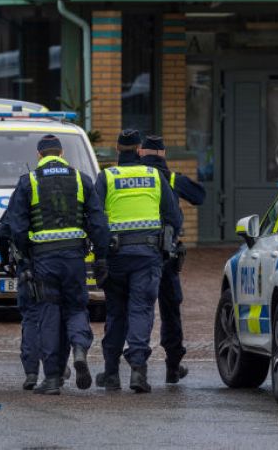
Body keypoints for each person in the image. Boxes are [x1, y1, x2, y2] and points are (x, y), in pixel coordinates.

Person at [4, 134, 109, 395]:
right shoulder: (81, 179)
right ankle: (80, 350)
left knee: (49, 314)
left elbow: (16, 227)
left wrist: (25, 260)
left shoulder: (28, 181)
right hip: (74, 258)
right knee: (76, 308)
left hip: (44, 261)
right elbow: (98, 223)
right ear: (61, 154)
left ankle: (51, 379)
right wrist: (101, 258)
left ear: (39, 156)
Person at [94, 129, 183, 394]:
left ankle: (111, 372)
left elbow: (96, 219)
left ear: (118, 150)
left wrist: (99, 255)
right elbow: (174, 217)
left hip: (116, 258)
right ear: (140, 151)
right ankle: (137, 372)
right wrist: (167, 242)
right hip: (147, 256)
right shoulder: (154, 176)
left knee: (116, 312)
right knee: (141, 310)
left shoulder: (107, 177)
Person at [139, 134, 205, 383]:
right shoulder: (172, 178)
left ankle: (135, 364)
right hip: (167, 254)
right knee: (170, 310)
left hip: (137, 253)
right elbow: (200, 196)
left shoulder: (134, 178)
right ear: (164, 154)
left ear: (141, 153)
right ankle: (173, 366)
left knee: (136, 308)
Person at [0, 211, 71, 390]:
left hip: (28, 266)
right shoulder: (66, 192)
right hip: (60, 264)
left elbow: (2, 232)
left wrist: (6, 258)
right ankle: (57, 369)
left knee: (31, 316)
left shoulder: (24, 191)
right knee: (57, 317)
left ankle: (31, 372)